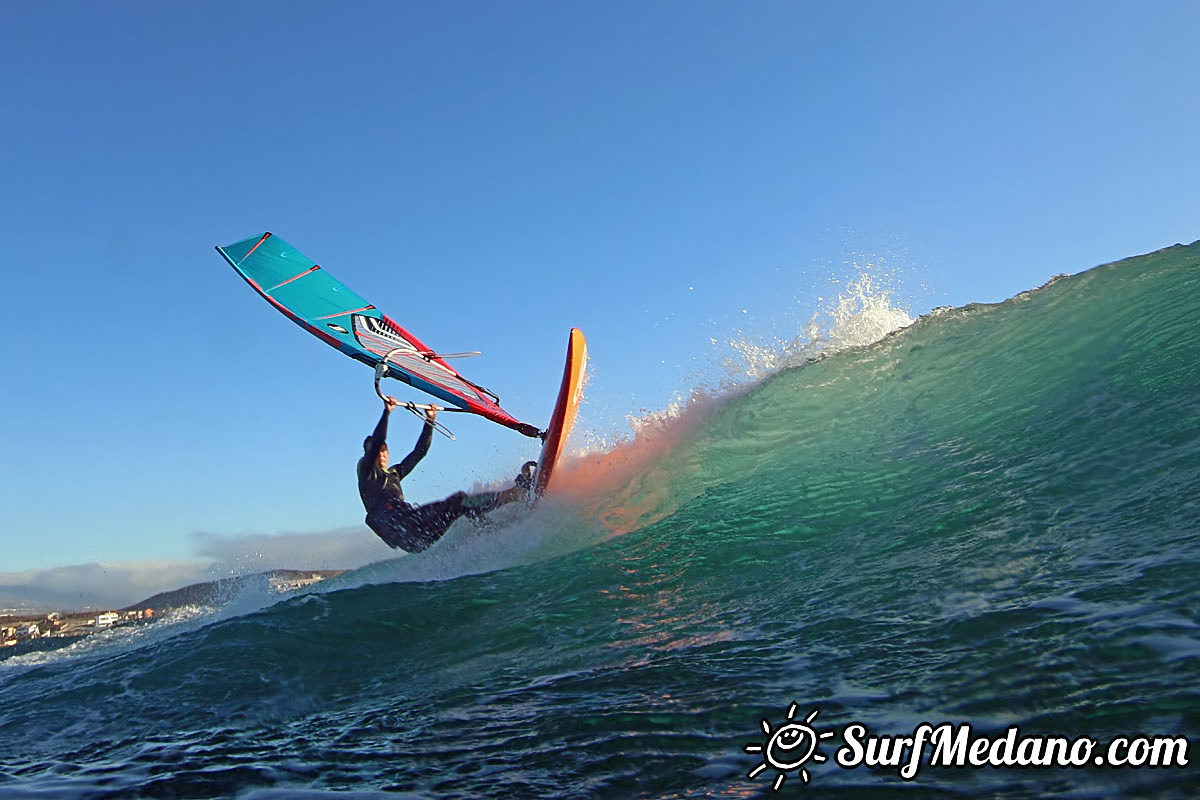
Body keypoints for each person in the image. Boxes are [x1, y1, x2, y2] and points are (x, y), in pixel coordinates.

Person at [358, 395, 536, 552]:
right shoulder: (367, 473)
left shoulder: (394, 473)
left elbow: (419, 452)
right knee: (458, 500)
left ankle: (493, 529)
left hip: (419, 535)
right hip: (403, 528)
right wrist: (386, 412)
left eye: (384, 450)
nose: (380, 454)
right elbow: (377, 443)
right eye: (376, 451)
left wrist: (430, 421)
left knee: (460, 505)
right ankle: (514, 494)